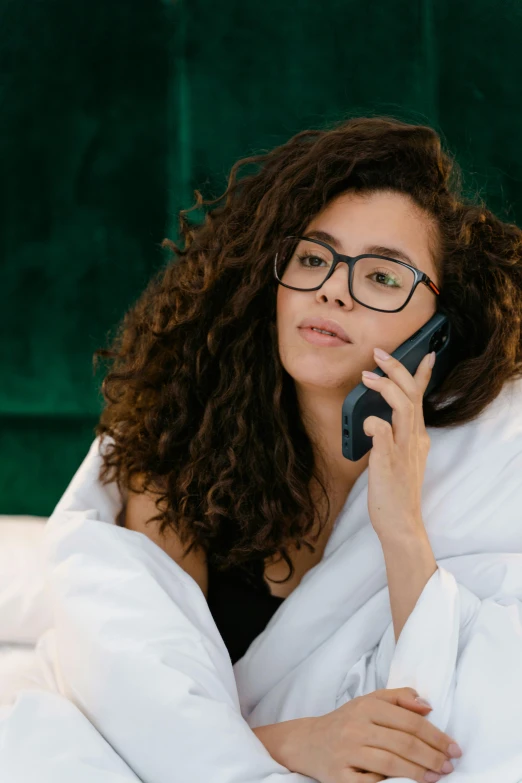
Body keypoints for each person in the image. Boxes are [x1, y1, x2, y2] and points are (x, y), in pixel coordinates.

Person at [92, 115, 522, 783]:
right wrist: (291, 742)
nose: (331, 288)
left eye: (381, 276)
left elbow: (454, 723)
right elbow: (139, 712)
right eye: (314, 257)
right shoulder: (175, 458)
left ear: (438, 327)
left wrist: (402, 525)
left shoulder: (473, 472)